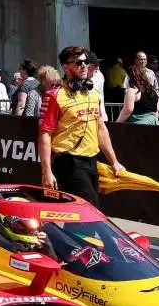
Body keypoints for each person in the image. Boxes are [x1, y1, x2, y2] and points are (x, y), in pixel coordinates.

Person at [38, 46, 124, 205]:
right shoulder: (54, 96)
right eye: (78, 62)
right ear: (65, 67)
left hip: (92, 161)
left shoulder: (94, 93)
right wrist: (46, 172)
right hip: (68, 162)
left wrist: (114, 162)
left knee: (77, 215)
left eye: (86, 61)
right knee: (91, 210)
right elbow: (45, 134)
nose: (84, 65)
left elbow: (101, 129)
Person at [120, 52, 159, 124]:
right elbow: (126, 89)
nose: (143, 61)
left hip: (150, 106)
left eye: (145, 59)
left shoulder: (151, 73)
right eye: (141, 59)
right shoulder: (131, 72)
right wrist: (128, 101)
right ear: (136, 60)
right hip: (136, 104)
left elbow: (156, 90)